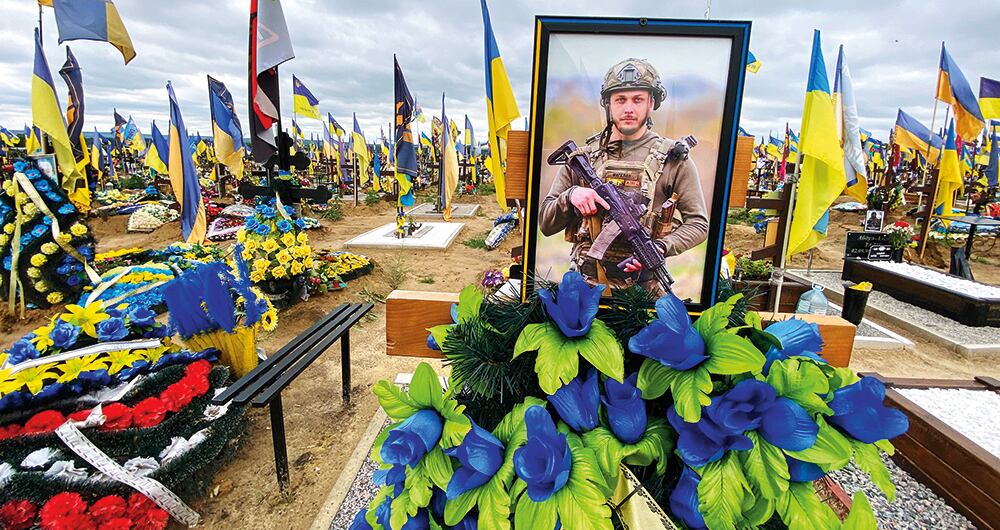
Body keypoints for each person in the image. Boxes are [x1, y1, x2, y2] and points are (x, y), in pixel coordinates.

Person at [538, 58, 709, 296]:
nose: (629, 108)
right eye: (620, 99)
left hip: (643, 292)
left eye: (638, 99)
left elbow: (699, 224)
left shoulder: (674, 159)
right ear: (608, 103)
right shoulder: (582, 158)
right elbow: (546, 224)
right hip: (583, 286)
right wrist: (571, 196)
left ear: (652, 103)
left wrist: (660, 248)